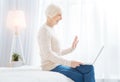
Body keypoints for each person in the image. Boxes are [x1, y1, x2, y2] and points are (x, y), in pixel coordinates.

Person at [38, 4, 95, 82]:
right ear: (51, 14)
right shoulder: (44, 31)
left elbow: (57, 52)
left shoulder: (51, 29)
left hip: (57, 64)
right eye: (59, 15)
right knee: (82, 77)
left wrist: (71, 48)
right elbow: (48, 54)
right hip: (51, 67)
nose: (61, 18)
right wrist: (70, 63)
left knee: (89, 67)